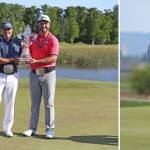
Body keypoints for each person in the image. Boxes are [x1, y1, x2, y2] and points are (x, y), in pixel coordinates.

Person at [23, 15, 59, 139]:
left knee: (49, 104)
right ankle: (32, 128)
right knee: (34, 104)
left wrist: (36, 61)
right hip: (34, 75)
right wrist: (26, 58)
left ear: (49, 24)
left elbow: (53, 57)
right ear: (38, 24)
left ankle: (50, 130)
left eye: (45, 23)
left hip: (48, 74)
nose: (43, 25)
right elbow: (27, 53)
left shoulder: (53, 39)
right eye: (41, 23)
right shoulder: (32, 39)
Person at [0, 21, 22, 137]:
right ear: (2, 30)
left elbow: (23, 57)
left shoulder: (18, 43)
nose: (6, 31)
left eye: (9, 29)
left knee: (10, 103)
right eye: (4, 29)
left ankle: (7, 128)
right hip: (0, 74)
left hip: (13, 75)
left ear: (12, 30)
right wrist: (13, 60)